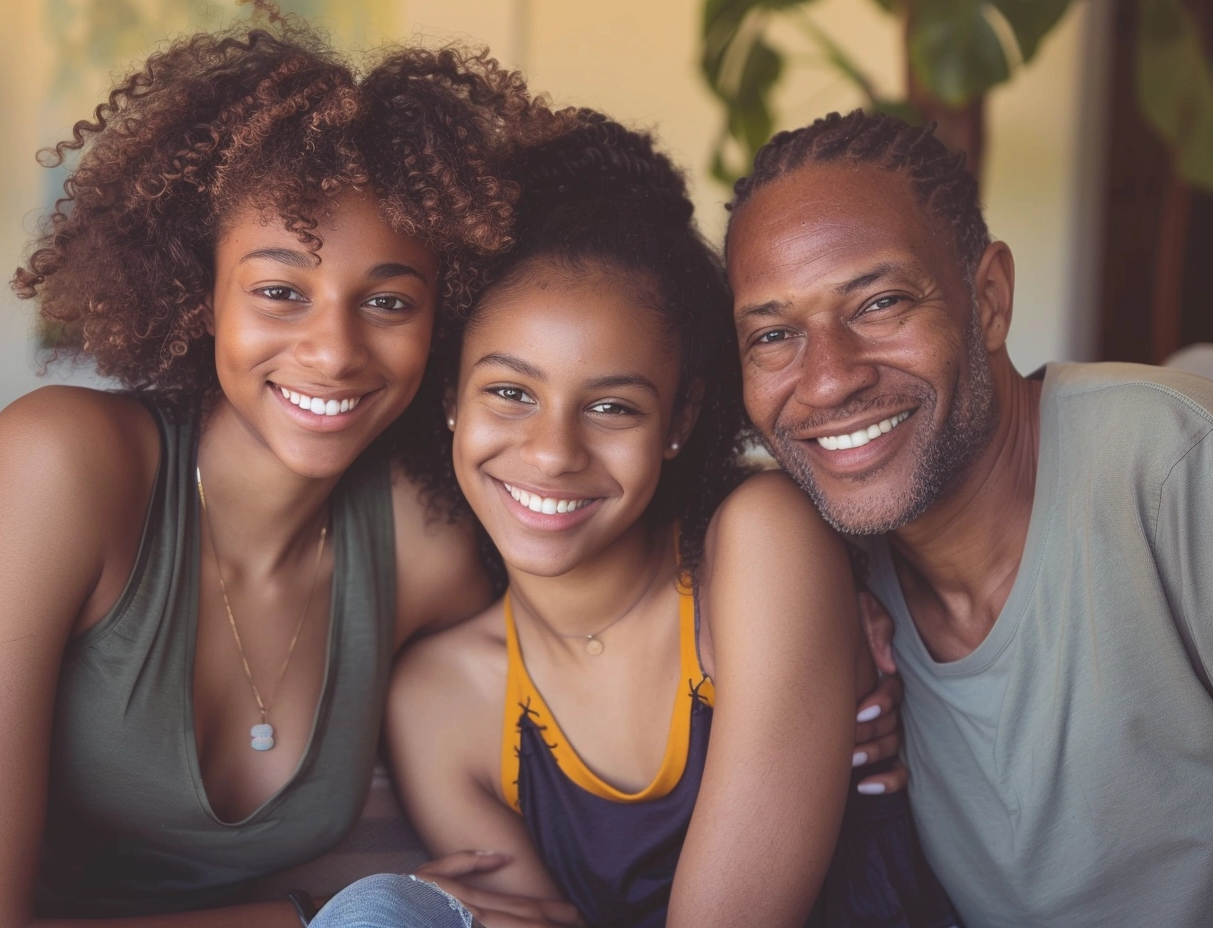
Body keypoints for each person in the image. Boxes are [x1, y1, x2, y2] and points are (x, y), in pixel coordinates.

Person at [0, 16, 563, 925]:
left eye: (387, 301)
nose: (333, 352)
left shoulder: (421, 542)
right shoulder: (63, 468)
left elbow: (610, 639)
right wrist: (311, 914)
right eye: (280, 291)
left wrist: (842, 674)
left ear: (444, 319)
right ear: (198, 291)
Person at [322, 111, 955, 928]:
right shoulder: (436, 701)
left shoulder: (757, 541)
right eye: (511, 393)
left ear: (682, 418)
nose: (552, 453)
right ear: (451, 397)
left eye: (613, 406)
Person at [724, 109, 1213, 928]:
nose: (828, 381)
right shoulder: (815, 558)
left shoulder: (1172, 468)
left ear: (987, 300)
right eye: (774, 334)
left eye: (878, 303)